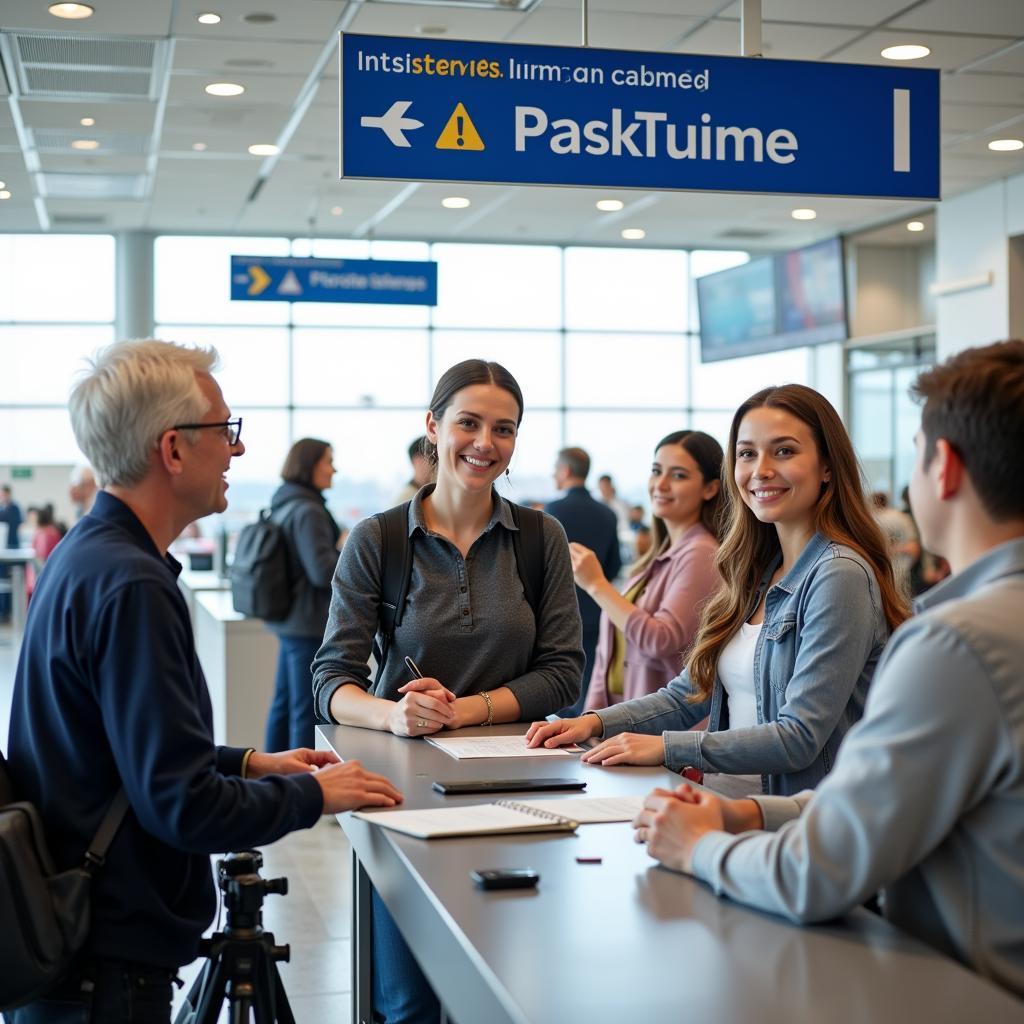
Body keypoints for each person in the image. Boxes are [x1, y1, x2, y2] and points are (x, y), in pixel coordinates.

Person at [4, 340, 402, 1024]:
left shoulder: (89, 556)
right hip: (106, 966)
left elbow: (127, 759)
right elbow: (181, 807)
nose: (238, 451)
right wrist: (311, 795)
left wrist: (251, 765)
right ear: (174, 449)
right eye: (226, 430)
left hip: (74, 946)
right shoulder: (131, 586)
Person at [632, 340, 1024, 1000]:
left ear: (945, 468)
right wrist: (751, 814)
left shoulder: (956, 644)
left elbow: (822, 869)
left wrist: (696, 847)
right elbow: (887, 802)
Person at [312, 358, 583, 1024]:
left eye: (504, 429)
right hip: (406, 794)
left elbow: (564, 672)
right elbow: (329, 681)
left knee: (507, 985)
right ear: (433, 427)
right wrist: (395, 714)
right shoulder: (378, 539)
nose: (484, 443)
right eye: (468, 423)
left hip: (519, 792)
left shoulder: (540, 538)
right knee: (406, 1002)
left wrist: (465, 709)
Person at [529, 384, 908, 798]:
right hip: (719, 810)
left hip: (786, 830)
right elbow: (689, 692)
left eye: (784, 451)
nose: (760, 470)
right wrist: (595, 722)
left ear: (827, 467)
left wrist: (665, 748)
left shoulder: (839, 574)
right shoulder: (756, 570)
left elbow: (799, 736)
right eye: (747, 453)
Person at [573, 431, 722, 714]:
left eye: (678, 476)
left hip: (658, 733)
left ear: (710, 488)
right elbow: (608, 654)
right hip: (621, 722)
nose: (660, 484)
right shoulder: (658, 556)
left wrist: (596, 585)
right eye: (656, 471)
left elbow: (660, 640)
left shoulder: (702, 553)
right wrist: (592, 720)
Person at [263, 437, 343, 752]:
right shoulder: (308, 511)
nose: (333, 469)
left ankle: (275, 774)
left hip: (290, 619)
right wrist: (347, 550)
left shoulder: (284, 503)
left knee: (284, 705)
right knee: (304, 709)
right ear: (310, 465)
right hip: (308, 622)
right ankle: (303, 780)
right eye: (328, 461)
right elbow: (322, 571)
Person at [544, 446, 621, 714]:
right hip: (597, 608)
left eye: (555, 469)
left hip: (558, 612)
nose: (554, 475)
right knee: (590, 681)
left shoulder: (553, 511)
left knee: (561, 677)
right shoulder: (607, 513)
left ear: (565, 471)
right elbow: (614, 566)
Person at [0, 483, 23, 622]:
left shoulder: (14, 508)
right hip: (2, 549)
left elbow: (14, 524)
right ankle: (2, 611)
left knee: (11, 580)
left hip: (12, 547)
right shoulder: (2, 508)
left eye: (3, 494)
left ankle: (8, 610)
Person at [392, 434, 434, 504]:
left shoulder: (426, 493)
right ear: (417, 461)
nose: (436, 464)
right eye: (432, 457)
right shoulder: (406, 500)